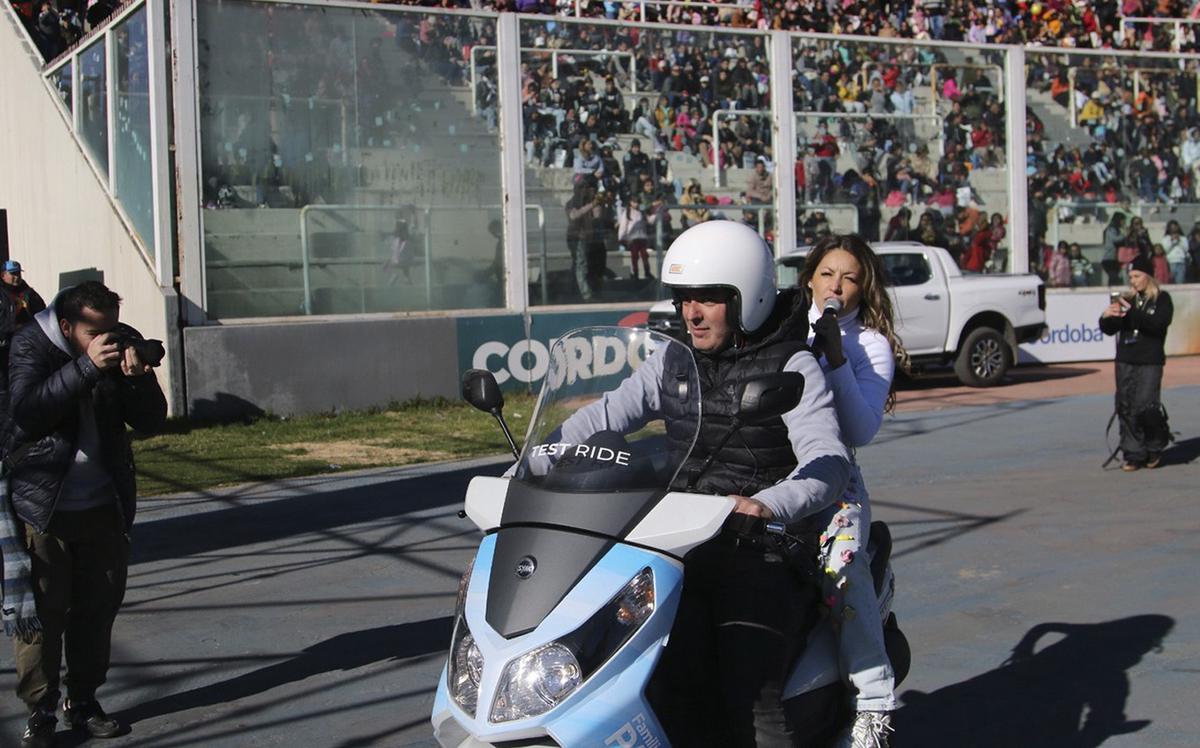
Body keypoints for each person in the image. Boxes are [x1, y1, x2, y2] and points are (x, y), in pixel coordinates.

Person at [556, 221, 850, 746]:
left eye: (709, 299)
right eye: (685, 298)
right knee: (631, 672)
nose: (692, 312)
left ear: (748, 299)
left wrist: (765, 504)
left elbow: (827, 461)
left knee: (750, 697)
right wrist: (537, 459)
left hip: (760, 550)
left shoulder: (792, 362)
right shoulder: (673, 359)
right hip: (675, 544)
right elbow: (606, 414)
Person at [6, 281, 167, 747]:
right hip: (44, 504)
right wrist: (85, 368)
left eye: (113, 327)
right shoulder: (29, 345)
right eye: (94, 331)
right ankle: (40, 711)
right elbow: (27, 412)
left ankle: (83, 701)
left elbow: (152, 421)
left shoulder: (119, 340)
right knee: (44, 614)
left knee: (97, 609)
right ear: (65, 325)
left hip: (102, 502)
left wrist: (137, 378)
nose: (108, 338)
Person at [801, 235, 906, 748]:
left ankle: (873, 700)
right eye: (826, 274)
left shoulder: (870, 345)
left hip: (835, 478)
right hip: (769, 474)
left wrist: (837, 358)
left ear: (863, 289)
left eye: (849, 277)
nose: (835, 286)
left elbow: (862, 429)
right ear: (808, 279)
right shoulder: (779, 332)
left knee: (841, 566)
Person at [1099, 256, 1174, 472]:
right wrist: (1107, 316)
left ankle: (1154, 445)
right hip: (1125, 359)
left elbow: (1157, 325)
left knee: (1145, 405)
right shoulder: (1127, 300)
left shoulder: (1162, 299)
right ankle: (1133, 453)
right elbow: (1110, 328)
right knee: (1126, 405)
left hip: (1150, 360)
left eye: (1137, 276)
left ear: (1148, 276)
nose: (1133, 281)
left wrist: (1133, 313)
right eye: (1130, 276)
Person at [616, 196, 653, 280]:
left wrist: (655, 213)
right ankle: (635, 272)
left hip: (642, 237)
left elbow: (649, 220)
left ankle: (647, 272)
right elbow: (623, 226)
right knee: (634, 256)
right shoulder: (627, 212)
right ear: (630, 202)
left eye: (637, 202)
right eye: (634, 202)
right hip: (633, 239)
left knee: (645, 256)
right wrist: (621, 237)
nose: (636, 204)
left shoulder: (642, 212)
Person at [2, 262, 47, 329]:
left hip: (28, 334)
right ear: (3, 275)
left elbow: (42, 313)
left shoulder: (29, 293)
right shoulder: (2, 296)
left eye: (18, 273)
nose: (17, 277)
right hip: (7, 336)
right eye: (13, 274)